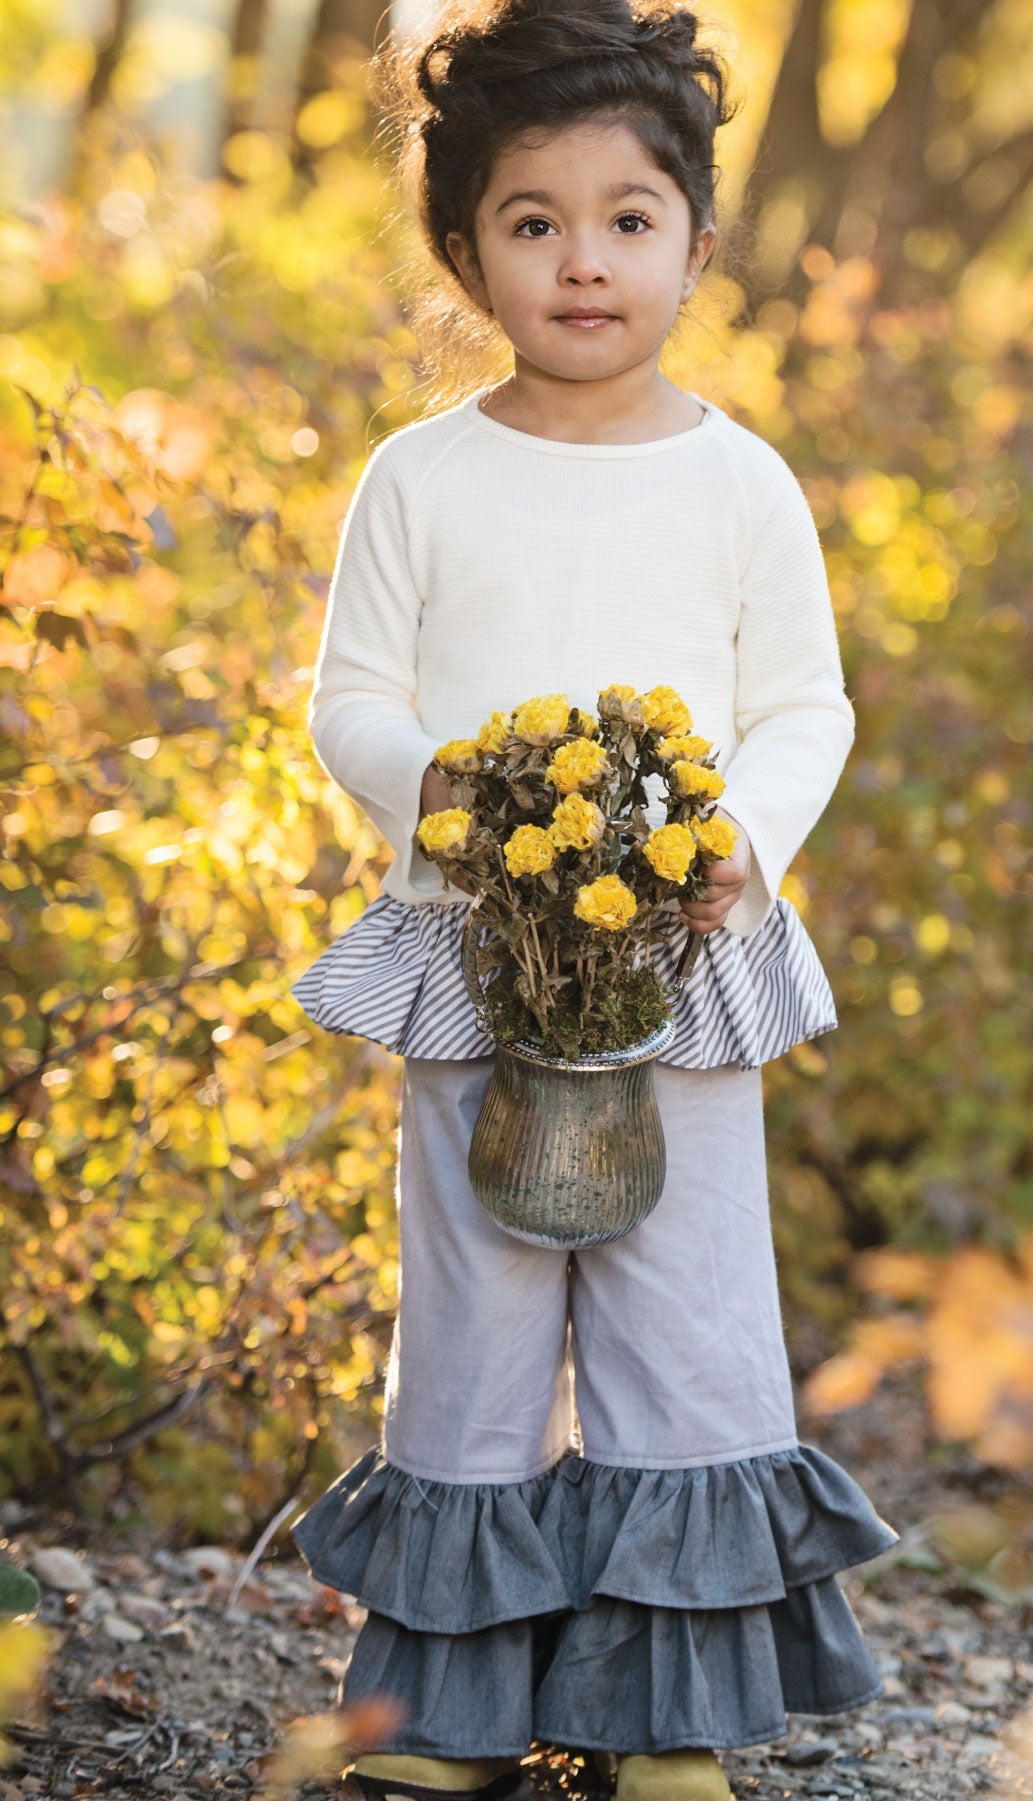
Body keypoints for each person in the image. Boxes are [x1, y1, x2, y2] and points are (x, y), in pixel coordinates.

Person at [287, 2, 901, 1798]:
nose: (583, 260)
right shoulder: (419, 479)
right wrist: (443, 787)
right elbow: (352, 700)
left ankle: (670, 1721)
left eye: (628, 219)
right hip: (477, 953)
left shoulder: (739, 481)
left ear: (697, 245)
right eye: (532, 220)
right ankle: (452, 1716)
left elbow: (806, 705)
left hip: (686, 959)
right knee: (471, 1309)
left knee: (682, 1311)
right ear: (463, 248)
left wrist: (743, 844)